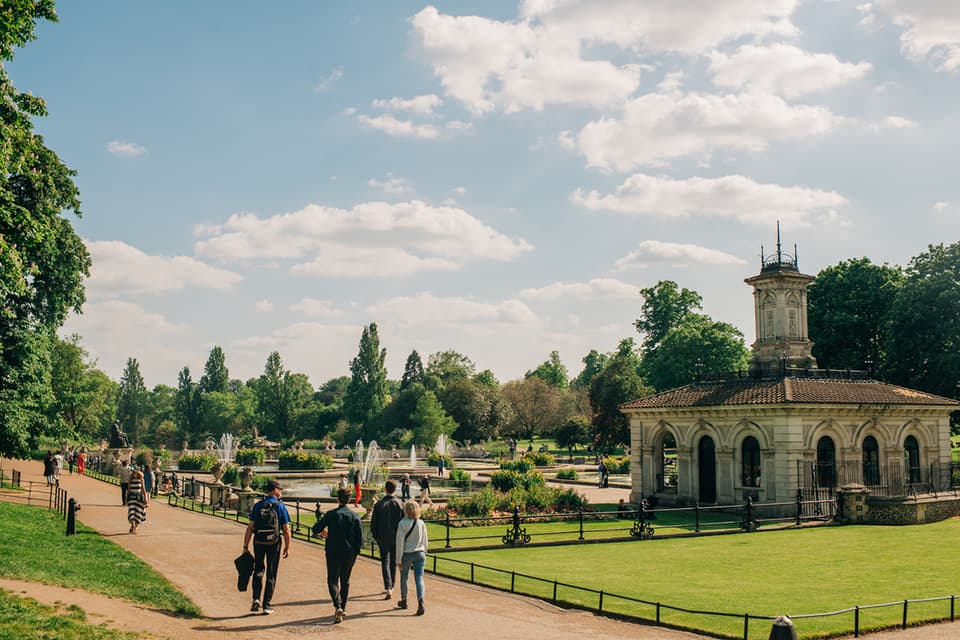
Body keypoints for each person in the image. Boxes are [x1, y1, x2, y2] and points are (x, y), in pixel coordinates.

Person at [313, 488, 363, 624]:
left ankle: (338, 605)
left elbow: (315, 528)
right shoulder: (354, 515)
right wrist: (356, 552)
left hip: (333, 551)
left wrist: (324, 532)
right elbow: (359, 538)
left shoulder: (331, 514)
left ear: (337, 499)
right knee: (345, 580)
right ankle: (343, 607)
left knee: (332, 580)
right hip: (349, 552)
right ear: (349, 499)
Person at [242, 480, 291, 615]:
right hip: (274, 543)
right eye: (279, 490)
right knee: (271, 572)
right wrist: (287, 546)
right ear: (274, 490)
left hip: (259, 542)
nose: (280, 492)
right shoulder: (280, 507)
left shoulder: (258, 506)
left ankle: (256, 598)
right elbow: (286, 529)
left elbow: (250, 527)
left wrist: (245, 546)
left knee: (258, 570)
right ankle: (266, 605)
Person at [370, 479, 404, 600]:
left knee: (385, 560)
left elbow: (373, 522)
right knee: (393, 561)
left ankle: (388, 586)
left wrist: (375, 535)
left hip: (383, 537)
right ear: (395, 489)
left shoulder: (379, 504)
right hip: (396, 537)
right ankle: (392, 585)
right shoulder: (399, 504)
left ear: (385, 489)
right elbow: (404, 523)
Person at [395, 500, 428, 616]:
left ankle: (404, 600)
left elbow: (399, 543)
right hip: (420, 553)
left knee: (404, 578)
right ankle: (421, 601)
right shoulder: (421, 523)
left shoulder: (402, 523)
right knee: (419, 579)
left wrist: (398, 559)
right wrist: (425, 551)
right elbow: (425, 540)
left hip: (407, 553)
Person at [127, 469, 150, 534]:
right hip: (132, 498)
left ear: (138, 473)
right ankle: (132, 525)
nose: (134, 474)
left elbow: (144, 490)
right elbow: (128, 489)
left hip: (139, 498)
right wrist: (127, 498)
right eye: (134, 472)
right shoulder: (130, 480)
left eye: (136, 472)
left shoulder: (141, 479)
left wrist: (146, 500)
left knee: (139, 513)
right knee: (131, 512)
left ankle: (134, 528)